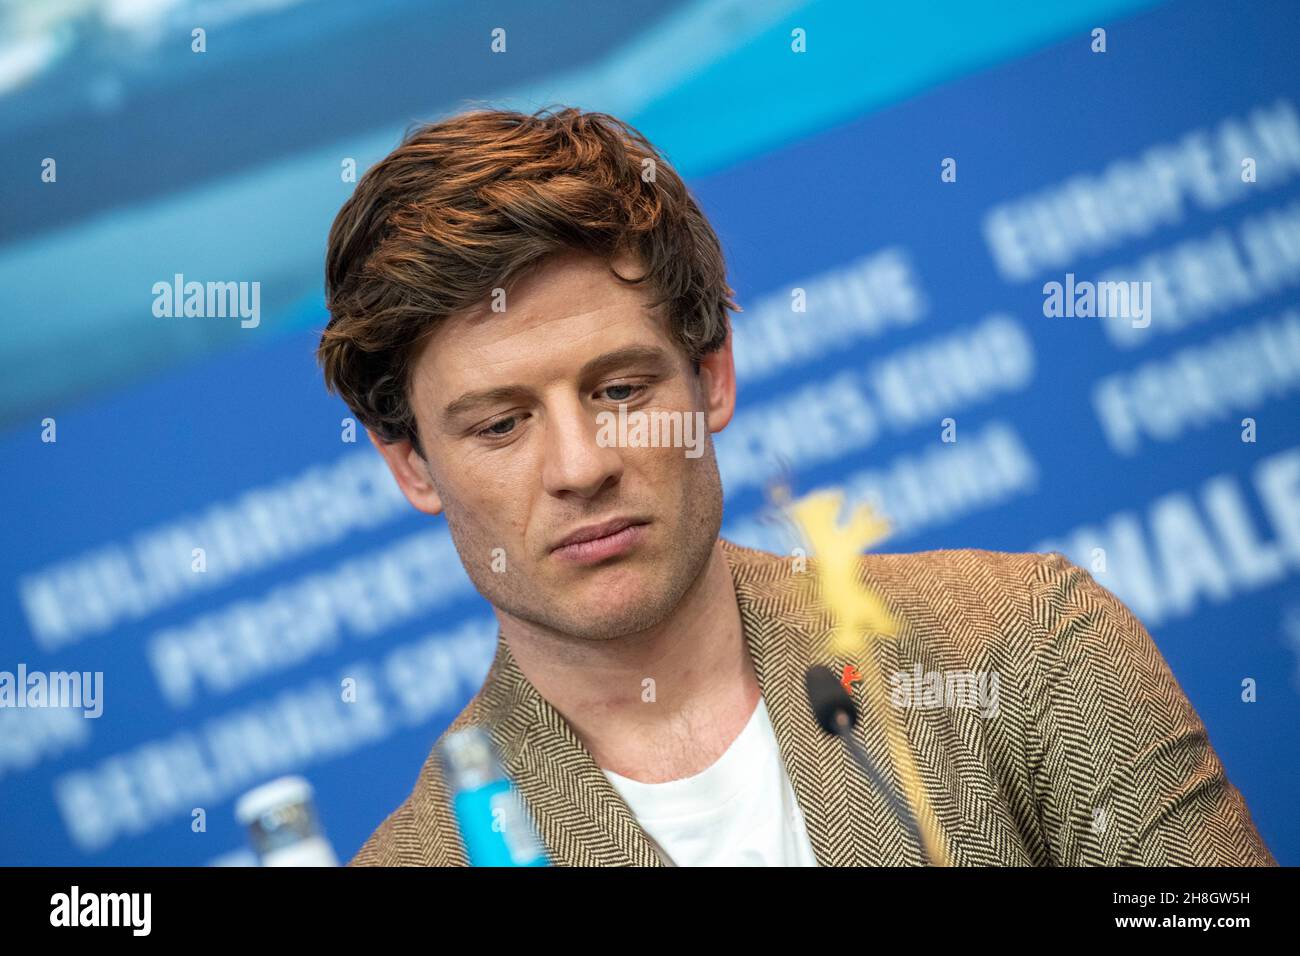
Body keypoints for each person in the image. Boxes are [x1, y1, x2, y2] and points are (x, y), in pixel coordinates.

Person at [317, 106, 1275, 866]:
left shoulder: (1028, 645)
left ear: (713, 375)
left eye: (619, 390)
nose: (580, 467)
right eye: (499, 425)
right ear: (411, 466)